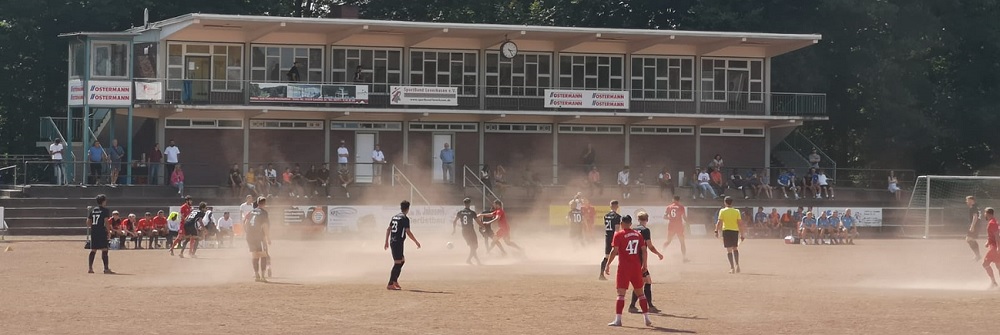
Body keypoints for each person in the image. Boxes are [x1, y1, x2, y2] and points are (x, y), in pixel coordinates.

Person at [604, 215, 652, 327]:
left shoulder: (619, 234)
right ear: (630, 224)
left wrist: (608, 264)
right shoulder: (638, 234)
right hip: (636, 267)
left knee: (621, 294)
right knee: (641, 293)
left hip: (624, 268)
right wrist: (644, 264)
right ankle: (646, 318)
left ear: (621, 223)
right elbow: (644, 250)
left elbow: (614, 251)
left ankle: (618, 319)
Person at [628, 212, 663, 314]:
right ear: (647, 220)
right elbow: (650, 246)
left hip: (633, 258)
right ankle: (633, 306)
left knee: (646, 281)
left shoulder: (633, 229)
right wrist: (658, 254)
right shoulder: (645, 230)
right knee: (642, 283)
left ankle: (648, 306)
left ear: (638, 219)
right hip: (640, 260)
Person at [385, 200, 422, 290]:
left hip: (394, 241)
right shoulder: (404, 218)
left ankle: (395, 281)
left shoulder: (395, 217)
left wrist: (386, 241)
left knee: (402, 260)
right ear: (408, 209)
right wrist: (416, 241)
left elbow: (388, 229)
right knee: (397, 262)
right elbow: (408, 231)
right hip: (397, 242)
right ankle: (390, 283)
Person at [245, 197, 272, 282]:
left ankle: (256, 275)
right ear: (265, 203)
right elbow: (265, 226)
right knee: (263, 255)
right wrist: (268, 238)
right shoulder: (264, 213)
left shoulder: (251, 211)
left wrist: (248, 233)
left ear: (257, 203)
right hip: (258, 236)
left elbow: (245, 222)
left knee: (255, 255)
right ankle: (263, 276)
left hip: (249, 236)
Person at [86, 194, 115, 274]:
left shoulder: (93, 210)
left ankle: (90, 268)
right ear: (103, 201)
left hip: (94, 231)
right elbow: (106, 222)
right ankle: (106, 269)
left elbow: (88, 222)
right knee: (104, 249)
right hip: (102, 231)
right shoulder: (105, 210)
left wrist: (93, 227)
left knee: (93, 249)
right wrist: (108, 232)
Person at [715, 196, 745, 274]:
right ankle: (737, 264)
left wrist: (716, 231)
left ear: (725, 202)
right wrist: (742, 234)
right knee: (735, 248)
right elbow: (740, 223)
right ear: (732, 203)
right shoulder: (737, 211)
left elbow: (719, 222)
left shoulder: (722, 211)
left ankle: (732, 267)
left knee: (729, 250)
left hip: (726, 231)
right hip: (735, 231)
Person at [452, 198, 482, 265]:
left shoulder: (460, 212)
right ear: (469, 204)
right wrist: (483, 226)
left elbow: (454, 221)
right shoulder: (472, 213)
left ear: (464, 204)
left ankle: (476, 260)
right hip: (470, 231)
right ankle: (470, 260)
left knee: (472, 247)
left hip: (464, 231)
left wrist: (454, 230)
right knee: (475, 246)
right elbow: (478, 222)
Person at [599, 200, 622, 281]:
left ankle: (601, 274)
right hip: (614, 237)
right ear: (617, 206)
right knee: (622, 255)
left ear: (610, 206)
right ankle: (623, 274)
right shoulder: (617, 217)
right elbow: (616, 229)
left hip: (607, 237)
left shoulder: (606, 216)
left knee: (607, 256)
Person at [663, 196, 690, 262]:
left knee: (668, 241)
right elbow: (684, 217)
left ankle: (662, 252)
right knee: (682, 242)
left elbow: (664, 217)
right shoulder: (681, 207)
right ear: (679, 200)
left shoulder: (669, 207)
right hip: (679, 226)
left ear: (673, 200)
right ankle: (684, 258)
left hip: (671, 225)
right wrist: (688, 222)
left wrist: (671, 218)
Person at [983, 207, 1000, 288]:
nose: (984, 214)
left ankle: (993, 283)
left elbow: (997, 235)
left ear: (987, 213)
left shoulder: (992, 223)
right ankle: (994, 283)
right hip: (993, 245)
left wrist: (998, 247)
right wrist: (988, 242)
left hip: (994, 247)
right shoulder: (994, 221)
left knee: (985, 264)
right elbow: (993, 234)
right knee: (998, 265)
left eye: (984, 213)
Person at [967, 195, 983, 261]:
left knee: (969, 239)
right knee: (970, 239)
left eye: (967, 200)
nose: (966, 202)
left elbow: (975, 216)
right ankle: (977, 255)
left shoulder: (973, 207)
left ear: (971, 200)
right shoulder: (976, 206)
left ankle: (978, 255)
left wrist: (972, 226)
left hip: (975, 225)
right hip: (977, 225)